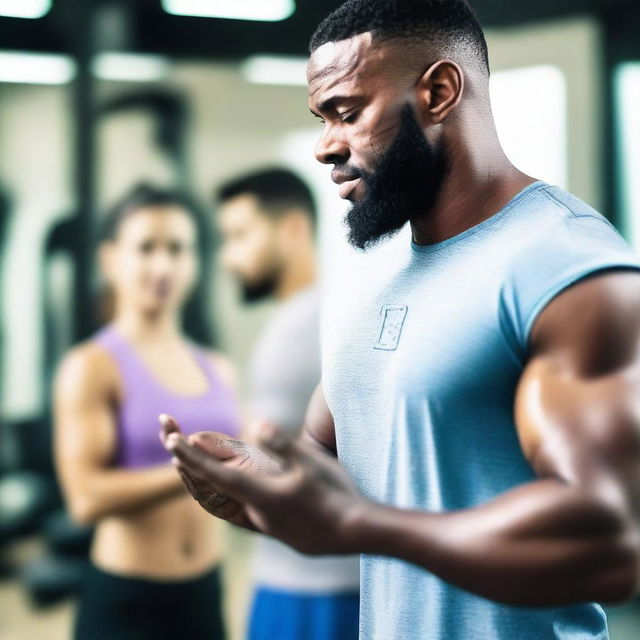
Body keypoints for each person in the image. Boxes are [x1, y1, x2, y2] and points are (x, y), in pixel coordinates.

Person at [160, 1, 640, 639]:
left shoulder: (564, 262)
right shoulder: (372, 278)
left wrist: (359, 526)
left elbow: (610, 543)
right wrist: (251, 477)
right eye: (322, 118)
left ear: (439, 92)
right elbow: (322, 457)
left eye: (348, 111)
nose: (327, 146)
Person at [55, 184, 240, 640]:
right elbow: (85, 498)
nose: (163, 265)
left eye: (178, 249)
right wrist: (195, 470)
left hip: (205, 590)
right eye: (146, 248)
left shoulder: (218, 367)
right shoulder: (92, 366)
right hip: (128, 600)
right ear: (110, 259)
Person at [216, 168, 360, 640]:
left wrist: (207, 457)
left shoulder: (298, 328)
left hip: (306, 590)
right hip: (333, 579)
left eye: (240, 235)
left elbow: (260, 466)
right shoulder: (335, 310)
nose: (228, 256)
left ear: (293, 229)